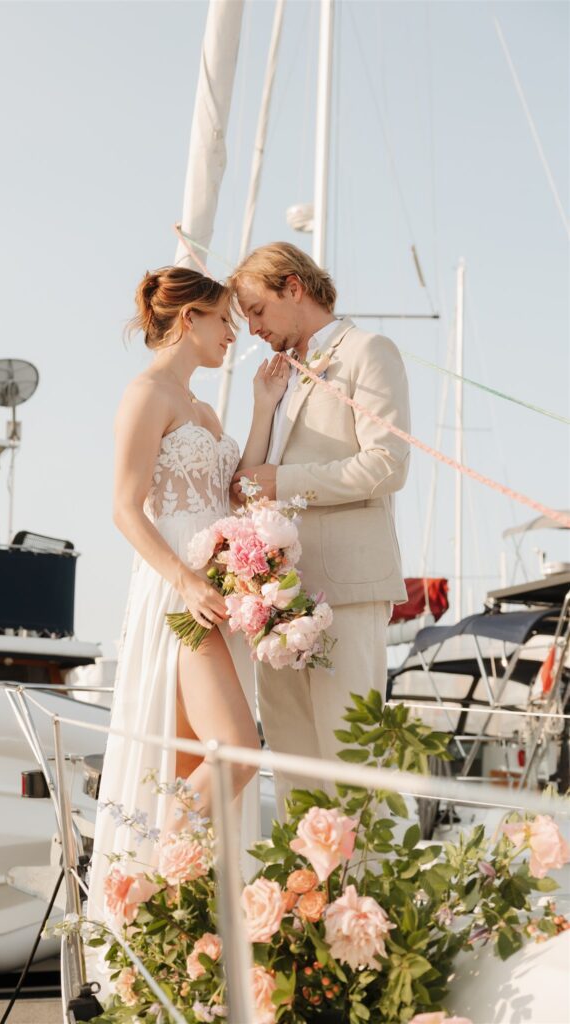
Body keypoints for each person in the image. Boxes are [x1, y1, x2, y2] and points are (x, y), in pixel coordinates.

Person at [87, 266, 289, 973]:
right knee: (237, 749)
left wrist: (263, 409)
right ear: (190, 318)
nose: (234, 334)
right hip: (181, 595)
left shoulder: (201, 409)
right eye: (226, 321)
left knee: (184, 765)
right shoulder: (147, 394)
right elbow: (123, 506)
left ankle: (175, 933)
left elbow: (238, 491)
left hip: (218, 596)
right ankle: (149, 878)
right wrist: (185, 579)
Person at [229, 242, 410, 816]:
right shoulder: (279, 377)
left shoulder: (368, 352)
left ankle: (367, 901)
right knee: (292, 770)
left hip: (348, 589)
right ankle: (304, 901)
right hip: (279, 601)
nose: (252, 328)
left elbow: (386, 465)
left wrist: (282, 481)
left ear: (293, 287)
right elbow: (249, 484)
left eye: (256, 310)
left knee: (352, 767)